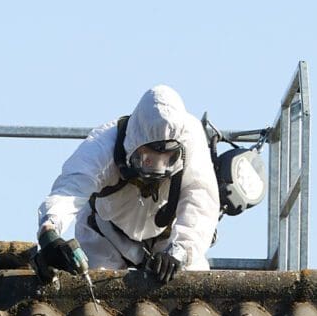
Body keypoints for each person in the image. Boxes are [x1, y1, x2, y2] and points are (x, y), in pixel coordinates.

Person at [37, 84, 219, 283]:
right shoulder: (102, 147)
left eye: (167, 159)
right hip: (106, 238)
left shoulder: (192, 140)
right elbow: (70, 191)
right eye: (148, 159)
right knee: (95, 299)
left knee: (192, 294)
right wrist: (50, 231)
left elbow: (201, 200)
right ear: (134, 144)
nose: (157, 169)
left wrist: (179, 253)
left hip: (167, 240)